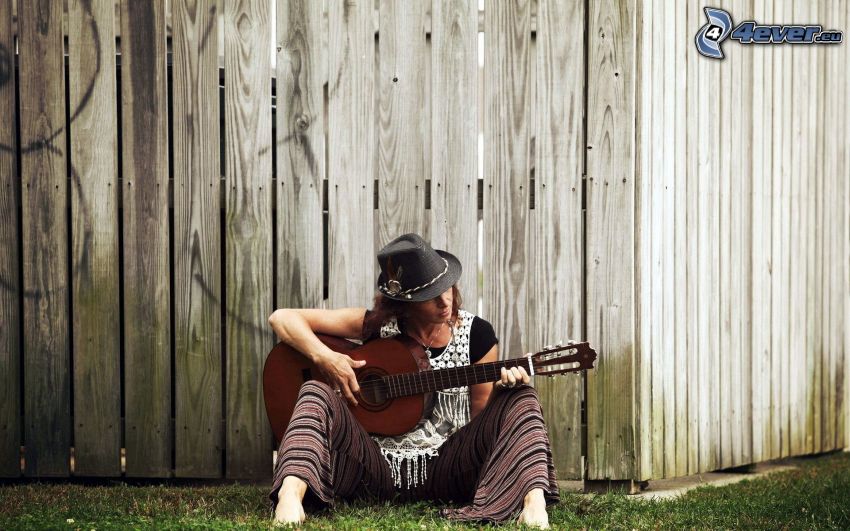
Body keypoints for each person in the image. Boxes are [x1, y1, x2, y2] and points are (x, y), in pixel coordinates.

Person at [267, 233, 559, 527]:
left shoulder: (477, 334)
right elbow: (282, 318)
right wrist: (325, 358)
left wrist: (503, 391)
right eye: (431, 296)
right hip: (373, 467)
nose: (445, 301)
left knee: (523, 396)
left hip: (449, 468)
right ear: (404, 303)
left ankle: (534, 503)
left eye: (447, 288)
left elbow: (481, 419)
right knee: (315, 389)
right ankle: (290, 497)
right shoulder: (375, 325)